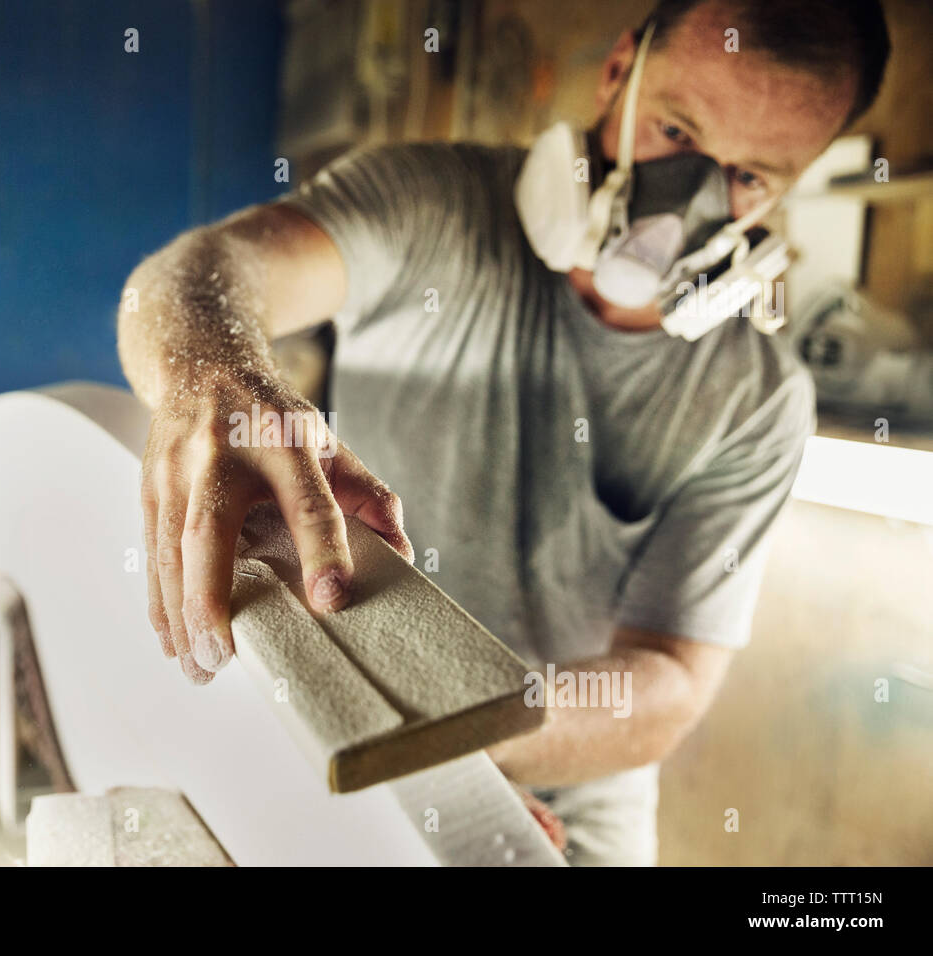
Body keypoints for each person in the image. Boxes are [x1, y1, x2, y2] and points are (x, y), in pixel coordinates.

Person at [116, 0, 891, 865]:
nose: (698, 196)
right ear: (618, 73)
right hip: (334, 733)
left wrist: (456, 745)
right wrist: (207, 374)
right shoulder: (427, 202)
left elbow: (668, 683)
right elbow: (201, 272)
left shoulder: (758, 398)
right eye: (676, 131)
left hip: (561, 797)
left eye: (750, 176)